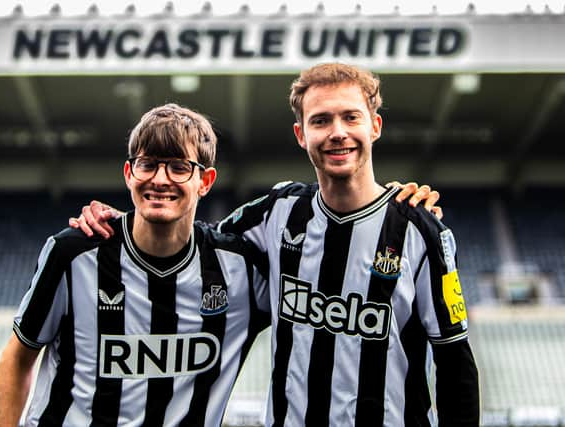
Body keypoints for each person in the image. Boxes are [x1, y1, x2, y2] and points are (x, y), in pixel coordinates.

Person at [71, 63, 479, 426]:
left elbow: (455, 363)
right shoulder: (277, 212)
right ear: (302, 134)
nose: (337, 132)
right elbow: (190, 241)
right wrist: (125, 221)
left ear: (374, 125)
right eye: (321, 121)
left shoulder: (421, 231)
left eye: (350, 117)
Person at [0, 104, 271, 427]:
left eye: (179, 167)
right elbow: (17, 358)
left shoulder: (237, 271)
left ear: (205, 181)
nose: (160, 179)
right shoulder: (74, 253)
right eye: (147, 165)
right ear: (129, 174)